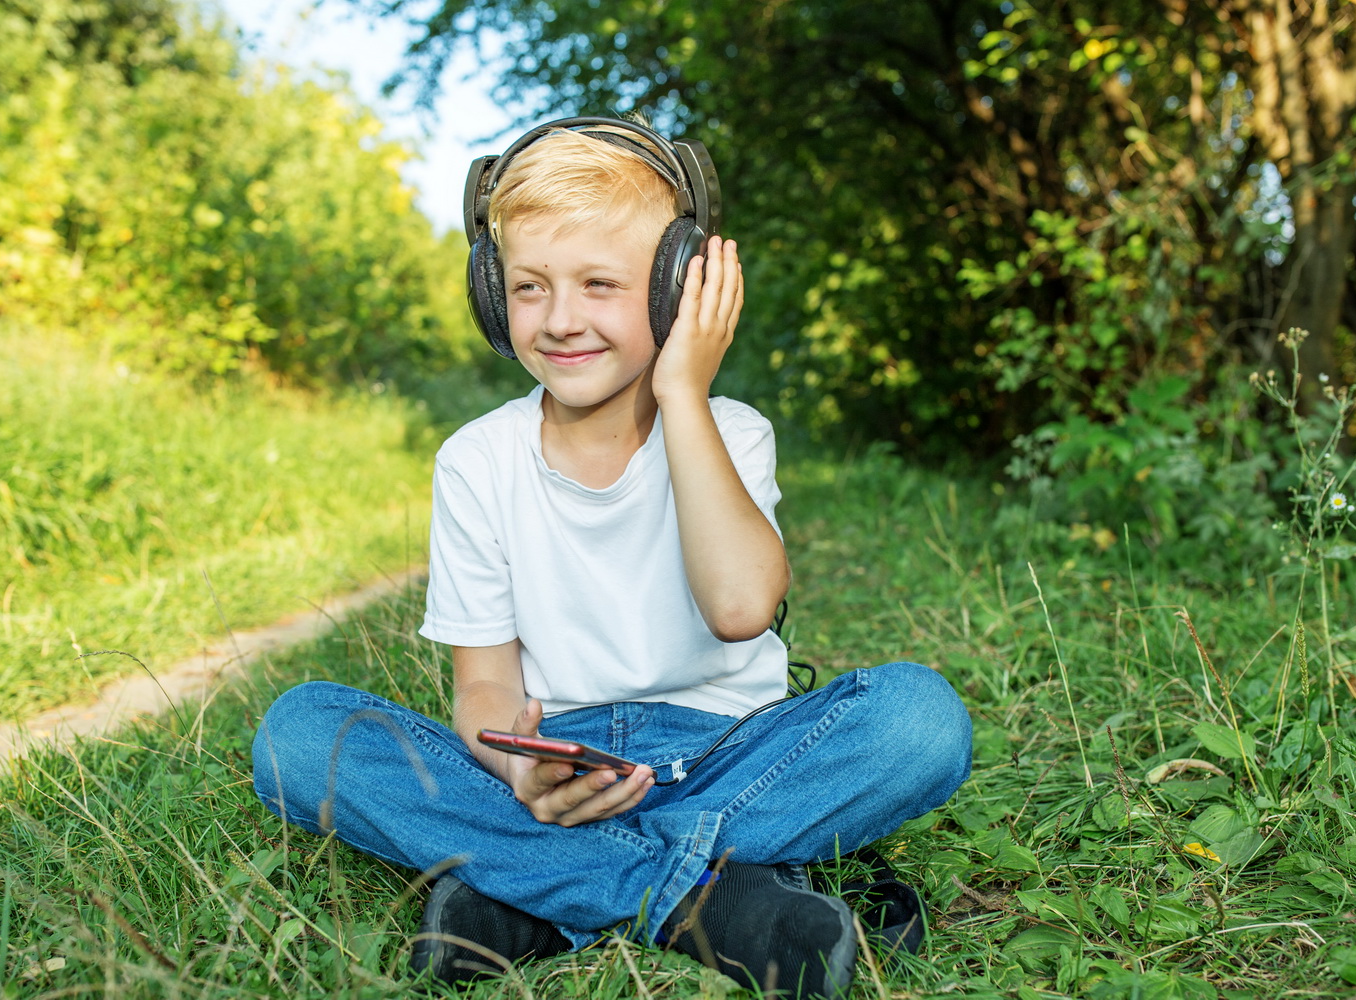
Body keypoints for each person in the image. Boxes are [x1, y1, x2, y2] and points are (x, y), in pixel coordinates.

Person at [251, 117, 972, 1000]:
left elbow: (741, 607)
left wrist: (683, 392)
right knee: (300, 736)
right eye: (527, 287)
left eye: (601, 285)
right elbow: (482, 689)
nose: (560, 320)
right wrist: (521, 770)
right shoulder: (476, 460)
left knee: (919, 720)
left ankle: (529, 897)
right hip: (559, 764)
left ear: (675, 292)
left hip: (732, 755)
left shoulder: (730, 432)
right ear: (491, 293)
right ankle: (704, 901)